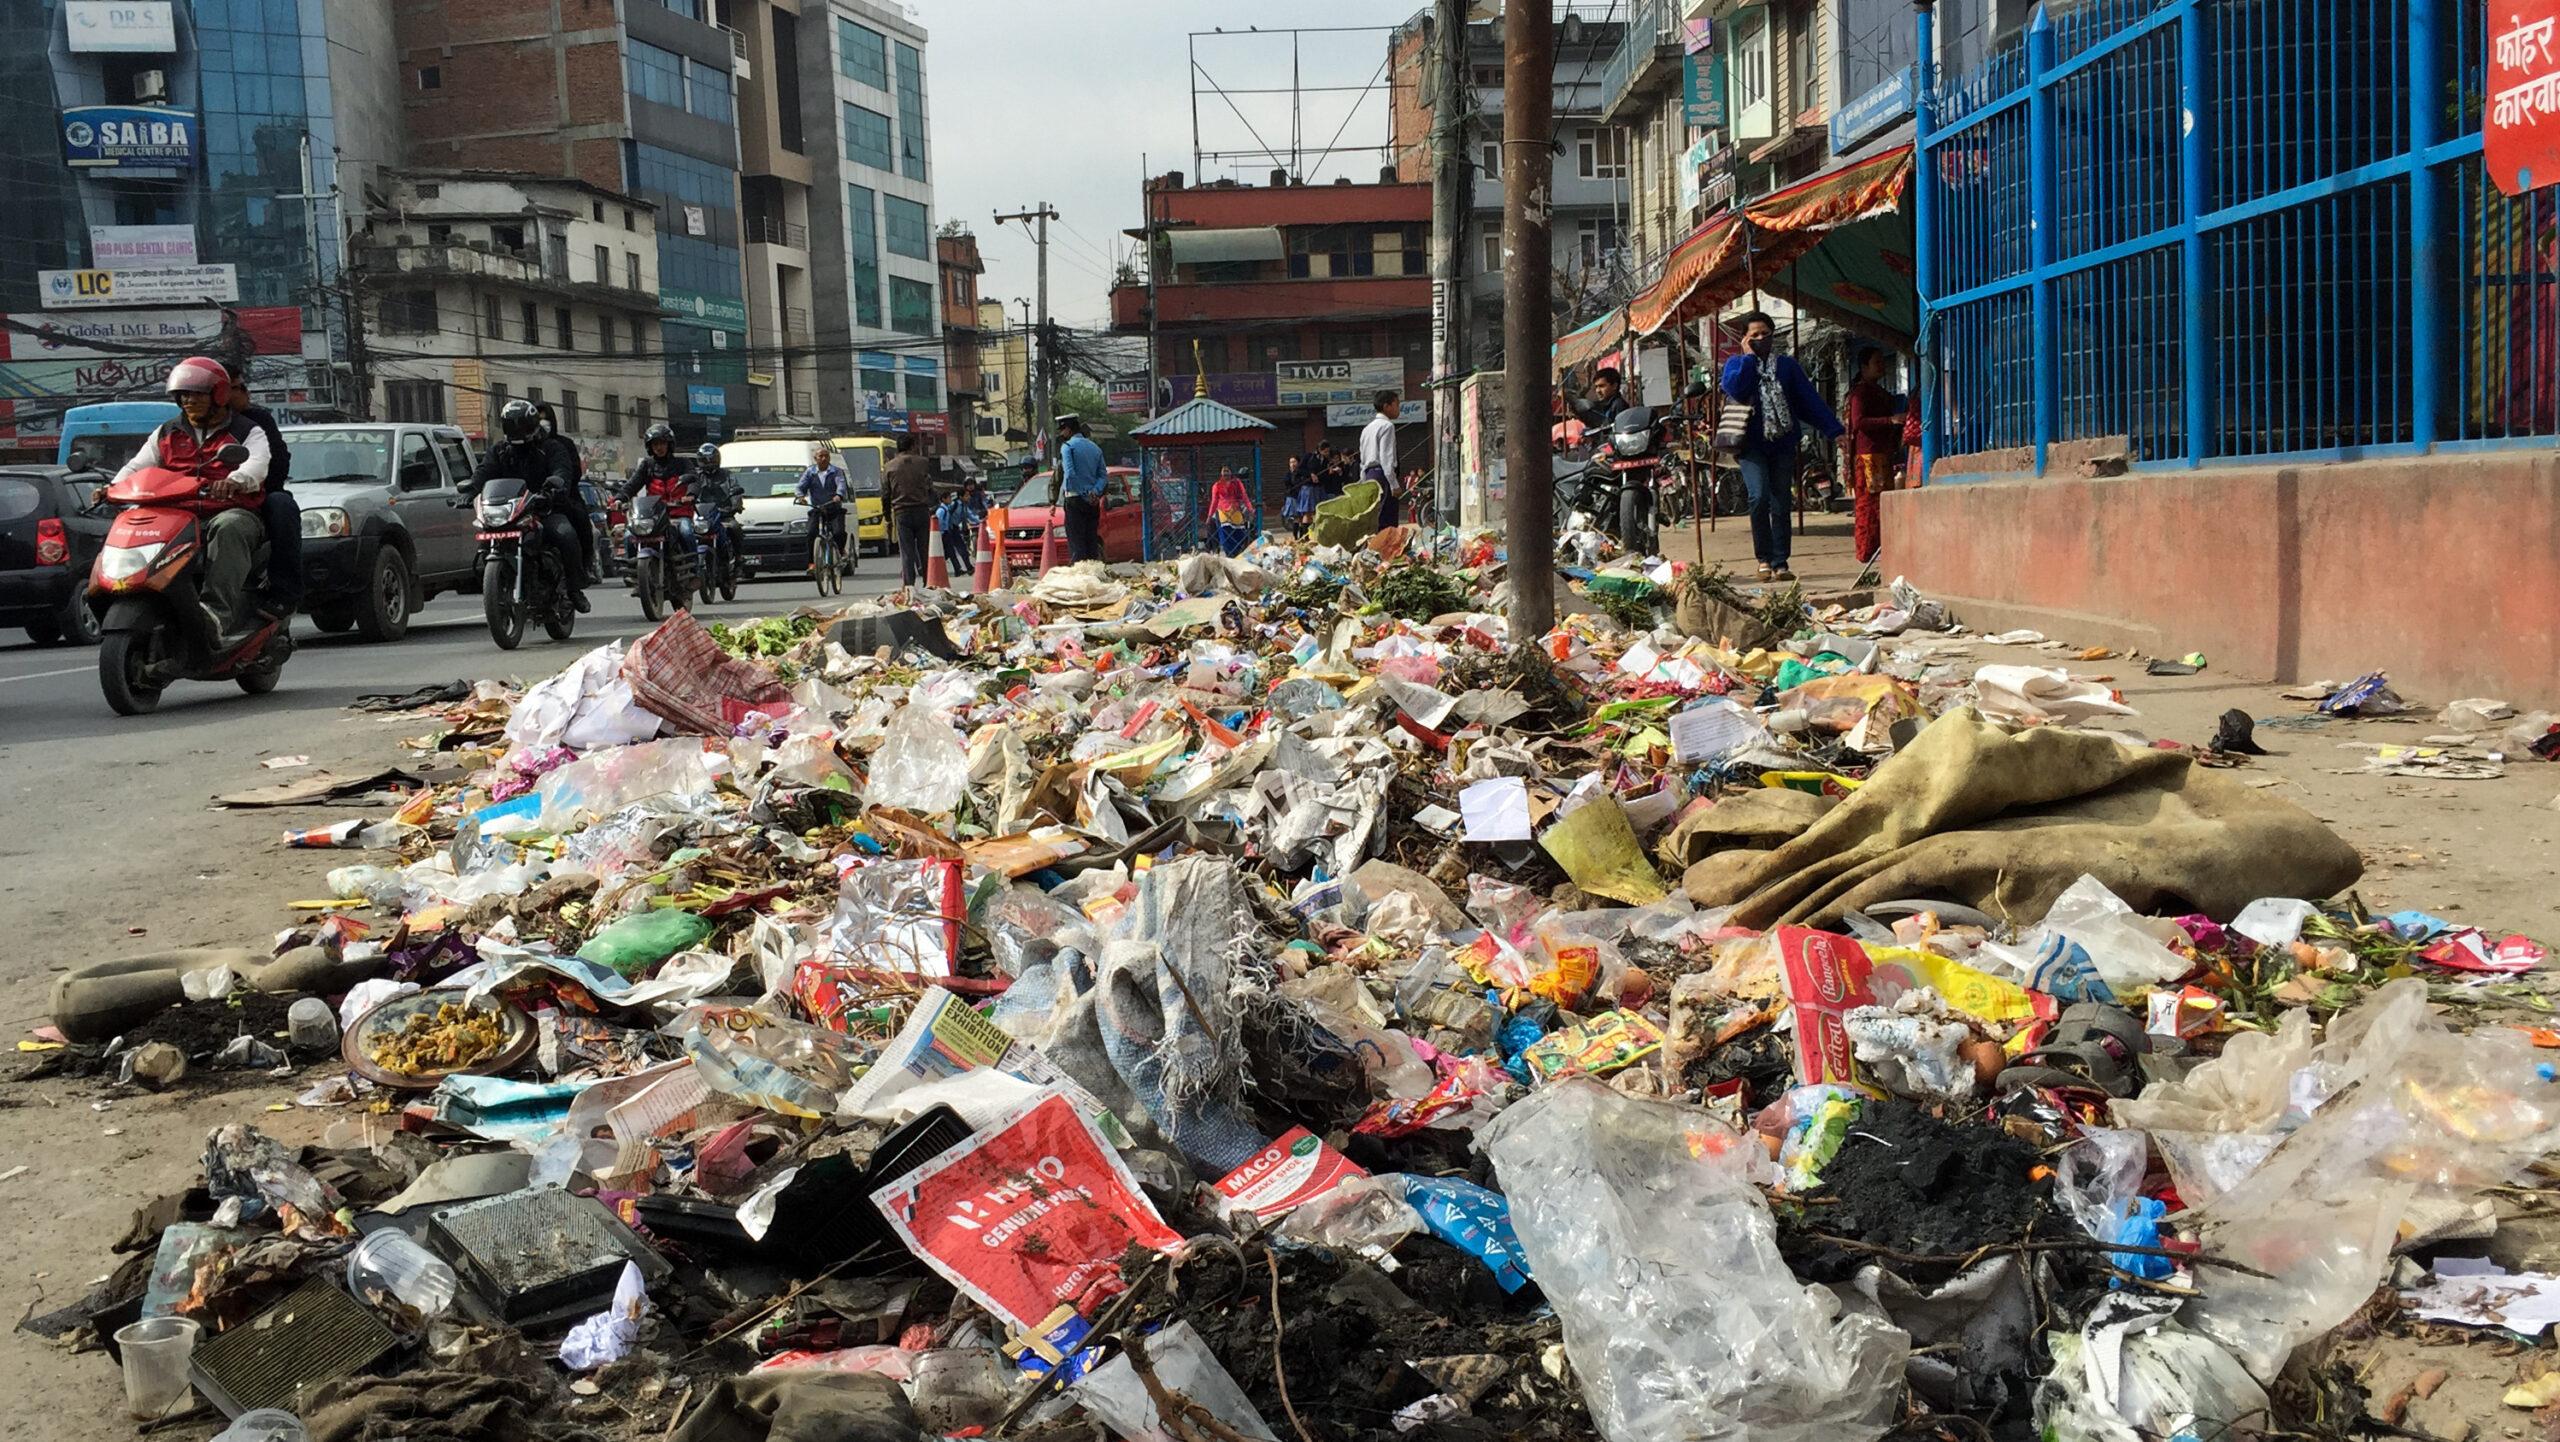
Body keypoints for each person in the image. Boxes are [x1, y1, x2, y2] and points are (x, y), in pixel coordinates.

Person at [114, 356, 271, 640]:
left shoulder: (247, 431)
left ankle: (216, 613)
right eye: (183, 395)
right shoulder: (166, 433)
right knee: (131, 523)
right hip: (177, 517)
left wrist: (234, 481)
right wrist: (112, 487)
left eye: (197, 394)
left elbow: (257, 464)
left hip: (228, 510)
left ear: (218, 394)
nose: (188, 400)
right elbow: (138, 466)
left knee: (229, 527)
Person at [1719, 311, 1842, 582]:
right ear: (1745, 339)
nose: (1761, 338)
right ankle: (1763, 559)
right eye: (1755, 335)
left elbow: (1809, 401)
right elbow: (1735, 389)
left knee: (1781, 502)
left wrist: (1834, 430)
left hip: (1782, 444)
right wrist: (1749, 358)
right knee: (1758, 496)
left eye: (1765, 333)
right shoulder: (1735, 364)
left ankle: (1780, 562)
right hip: (1750, 446)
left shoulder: (1787, 366)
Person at [462, 399, 590, 612]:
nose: (517, 430)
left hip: (544, 509)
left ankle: (575, 589)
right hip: (510, 513)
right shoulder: (499, 450)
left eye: (521, 424)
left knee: (565, 534)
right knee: (485, 542)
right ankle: (500, 586)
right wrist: (470, 491)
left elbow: (562, 471)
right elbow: (484, 471)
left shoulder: (551, 447)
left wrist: (555, 488)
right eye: (511, 425)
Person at [217, 356, 299, 620]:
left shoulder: (255, 423)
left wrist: (241, 485)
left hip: (252, 497)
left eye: (242, 387)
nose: (245, 393)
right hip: (199, 500)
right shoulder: (178, 427)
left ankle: (284, 593)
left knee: (281, 505)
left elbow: (275, 463)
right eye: (237, 387)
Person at [1844, 346, 1907, 566]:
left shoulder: (1878, 391)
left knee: (1882, 504)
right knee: (1868, 505)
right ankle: (1866, 550)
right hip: (1868, 457)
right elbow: (1859, 422)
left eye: (1882, 362)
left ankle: (1880, 547)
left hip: (1882, 454)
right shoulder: (1860, 393)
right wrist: (1890, 420)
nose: (1881, 366)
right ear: (1864, 367)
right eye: (1877, 362)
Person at [616, 423, 699, 581]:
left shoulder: (683, 463)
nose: (659, 447)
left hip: (678, 514)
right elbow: (632, 485)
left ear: (669, 444)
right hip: (654, 517)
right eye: (655, 444)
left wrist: (690, 495)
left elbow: (694, 480)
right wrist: (619, 498)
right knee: (628, 536)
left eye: (662, 443)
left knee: (687, 532)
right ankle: (634, 573)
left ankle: (695, 571)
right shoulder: (647, 465)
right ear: (650, 447)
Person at [886, 433, 940, 586]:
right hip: (921, 510)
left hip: (901, 512)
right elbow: (929, 486)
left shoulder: (889, 466)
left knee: (907, 552)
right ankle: (928, 583)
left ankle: (909, 585)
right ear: (912, 446)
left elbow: (885, 494)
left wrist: (887, 517)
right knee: (925, 550)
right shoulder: (923, 462)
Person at [1056, 414, 1108, 562]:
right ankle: (1093, 572)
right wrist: (1094, 492)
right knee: (1091, 542)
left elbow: (1070, 474)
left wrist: (1083, 492)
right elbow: (1103, 476)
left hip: (1074, 499)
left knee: (1076, 544)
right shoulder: (1095, 448)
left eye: (1062, 430)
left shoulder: (1067, 447)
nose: (1062, 434)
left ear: (1068, 429)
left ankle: (1080, 573)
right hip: (1093, 501)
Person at [794, 444, 851, 572]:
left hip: (833, 508)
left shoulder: (836, 471)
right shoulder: (810, 472)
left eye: (826, 456)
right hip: (817, 508)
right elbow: (800, 487)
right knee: (811, 533)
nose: (824, 458)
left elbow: (841, 485)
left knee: (839, 532)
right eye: (821, 456)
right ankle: (811, 563)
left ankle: (841, 551)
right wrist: (800, 496)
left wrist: (838, 495)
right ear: (815, 459)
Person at [1360, 390, 1401, 529]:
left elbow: (1363, 459)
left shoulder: (1367, 429)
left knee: (1374, 518)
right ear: (1386, 406)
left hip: (1370, 476)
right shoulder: (1387, 426)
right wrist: (1394, 484)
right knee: (1387, 519)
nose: (1398, 408)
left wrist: (1363, 481)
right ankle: (1385, 543)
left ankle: (1374, 542)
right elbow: (1386, 458)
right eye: (1397, 404)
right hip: (1383, 476)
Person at [1208, 466, 1254, 556]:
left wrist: (1250, 509)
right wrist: (1209, 516)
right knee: (1225, 534)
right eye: (1224, 471)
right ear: (1221, 473)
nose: (1226, 473)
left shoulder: (1237, 483)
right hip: (1223, 512)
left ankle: (1237, 552)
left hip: (1235, 510)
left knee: (1240, 533)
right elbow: (1214, 501)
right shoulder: (1216, 485)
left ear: (1231, 472)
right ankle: (1229, 554)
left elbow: (1244, 496)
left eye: (1227, 471)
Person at [1280, 455, 1319, 538]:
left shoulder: (1301, 472)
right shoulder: (1289, 474)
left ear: (1298, 463)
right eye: (1291, 462)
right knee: (1297, 518)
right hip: (1293, 497)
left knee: (1301, 518)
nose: (1292, 464)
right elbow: (1288, 483)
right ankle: (1296, 537)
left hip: (1300, 497)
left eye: (1294, 462)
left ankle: (1301, 536)